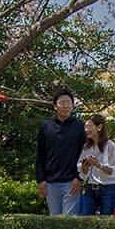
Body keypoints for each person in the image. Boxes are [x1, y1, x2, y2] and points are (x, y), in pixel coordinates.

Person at [36, 88, 86, 216]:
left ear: (73, 106)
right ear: (55, 106)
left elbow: (85, 154)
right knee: (55, 221)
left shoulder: (80, 126)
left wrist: (79, 178)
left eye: (69, 103)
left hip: (72, 182)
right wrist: (40, 180)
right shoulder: (46, 126)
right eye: (62, 102)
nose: (65, 106)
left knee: (69, 222)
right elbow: (40, 154)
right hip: (50, 183)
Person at [77, 114, 115, 216]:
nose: (86, 129)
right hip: (90, 187)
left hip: (108, 189)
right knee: (85, 220)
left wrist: (98, 165)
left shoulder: (110, 146)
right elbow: (82, 173)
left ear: (99, 127)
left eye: (89, 126)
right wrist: (85, 167)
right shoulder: (86, 147)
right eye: (85, 127)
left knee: (107, 222)